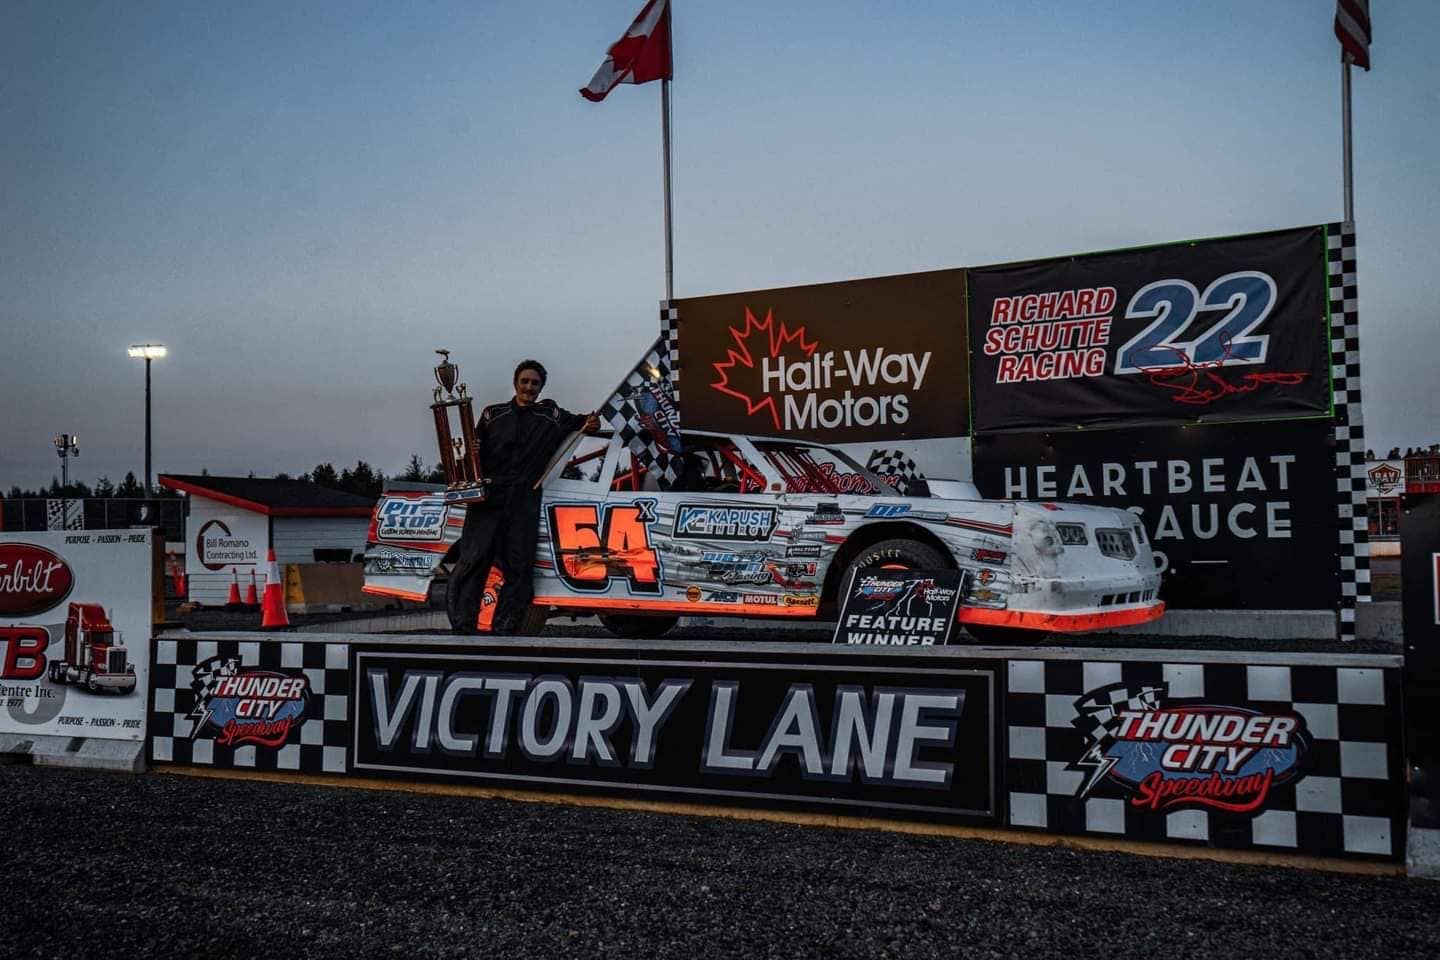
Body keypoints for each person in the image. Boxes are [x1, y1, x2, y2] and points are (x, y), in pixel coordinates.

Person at [447, 360, 600, 635]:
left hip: (524, 500)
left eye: (535, 383)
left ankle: (505, 630)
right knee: (474, 561)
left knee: (519, 567)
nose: (529, 387)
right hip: (488, 499)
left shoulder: (551, 414)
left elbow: (584, 422)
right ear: (515, 382)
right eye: (525, 381)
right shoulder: (493, 414)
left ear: (541, 387)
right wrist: (468, 454)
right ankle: (462, 627)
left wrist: (591, 422)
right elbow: (472, 456)